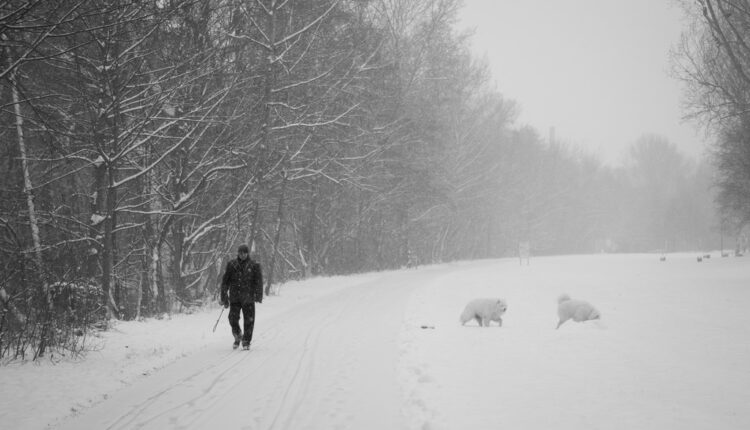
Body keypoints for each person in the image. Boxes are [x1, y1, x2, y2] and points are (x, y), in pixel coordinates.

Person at [220, 244, 263, 349]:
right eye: (240, 253)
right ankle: (238, 335)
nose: (242, 255)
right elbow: (225, 282)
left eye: (244, 253)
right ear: (238, 253)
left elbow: (258, 281)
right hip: (235, 297)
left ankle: (246, 341)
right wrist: (224, 297)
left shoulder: (254, 265)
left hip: (248, 298)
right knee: (232, 319)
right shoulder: (232, 265)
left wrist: (258, 295)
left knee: (249, 321)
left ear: (247, 253)